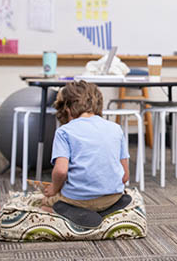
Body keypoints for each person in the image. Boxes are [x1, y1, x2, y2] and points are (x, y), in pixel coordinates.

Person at [46, 80, 131, 228]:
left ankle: (73, 211)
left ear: (66, 109)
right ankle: (107, 209)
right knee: (116, 194)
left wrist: (54, 188)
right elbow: (125, 176)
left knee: (45, 204)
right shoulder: (116, 128)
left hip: (78, 199)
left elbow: (61, 171)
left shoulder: (64, 132)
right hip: (113, 196)